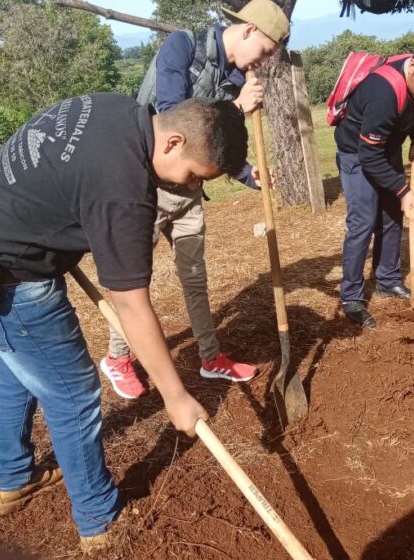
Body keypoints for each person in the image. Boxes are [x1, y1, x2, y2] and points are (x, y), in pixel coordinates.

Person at [0, 93, 248, 551]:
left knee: (19, 368)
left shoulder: (114, 110)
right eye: (191, 177)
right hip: (6, 283)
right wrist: (176, 396)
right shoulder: (122, 189)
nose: (186, 190)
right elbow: (131, 305)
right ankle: (100, 521)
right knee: (74, 391)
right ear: (174, 142)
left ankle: (12, 480)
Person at [100, 0, 291, 399]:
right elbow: (172, 117)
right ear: (249, 31)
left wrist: (246, 173)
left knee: (195, 280)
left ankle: (209, 357)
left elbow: (218, 148)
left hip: (187, 193)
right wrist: (237, 108)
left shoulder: (238, 76)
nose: (266, 61)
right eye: (268, 51)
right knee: (134, 283)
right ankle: (118, 357)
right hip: (147, 189)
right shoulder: (183, 47)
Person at [334, 36, 414, 328]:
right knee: (363, 222)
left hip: (385, 147)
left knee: (391, 217)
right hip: (357, 153)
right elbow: (368, 155)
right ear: (412, 65)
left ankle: (387, 279)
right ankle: (351, 297)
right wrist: (403, 190)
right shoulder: (382, 94)